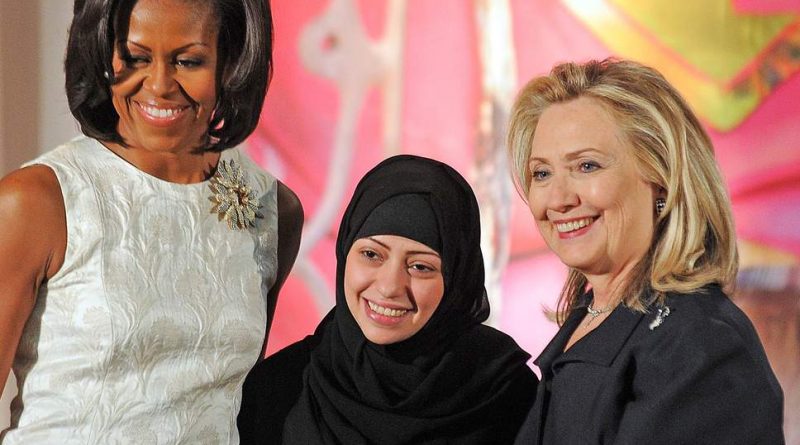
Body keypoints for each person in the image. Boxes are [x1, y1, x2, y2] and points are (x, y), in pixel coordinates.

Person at [0, 0, 302, 442]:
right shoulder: (37, 200)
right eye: (136, 57)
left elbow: (237, 402)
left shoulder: (272, 210)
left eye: (188, 61)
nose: (159, 85)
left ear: (233, 61)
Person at [506, 58, 784, 444]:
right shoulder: (590, 320)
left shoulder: (700, 344)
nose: (558, 199)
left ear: (661, 177)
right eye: (542, 173)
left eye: (586, 166)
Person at [237, 155, 537, 444]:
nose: (390, 287)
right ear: (345, 253)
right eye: (371, 254)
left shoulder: (506, 394)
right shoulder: (280, 388)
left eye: (420, 266)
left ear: (456, 278)